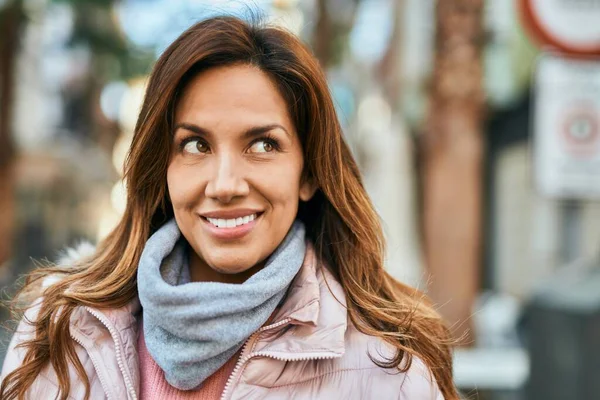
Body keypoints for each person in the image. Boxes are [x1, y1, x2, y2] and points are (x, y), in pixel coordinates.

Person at [1, 15, 458, 400]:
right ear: (162, 167)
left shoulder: (387, 371)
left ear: (309, 173)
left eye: (262, 144)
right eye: (196, 144)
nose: (224, 185)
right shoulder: (61, 332)